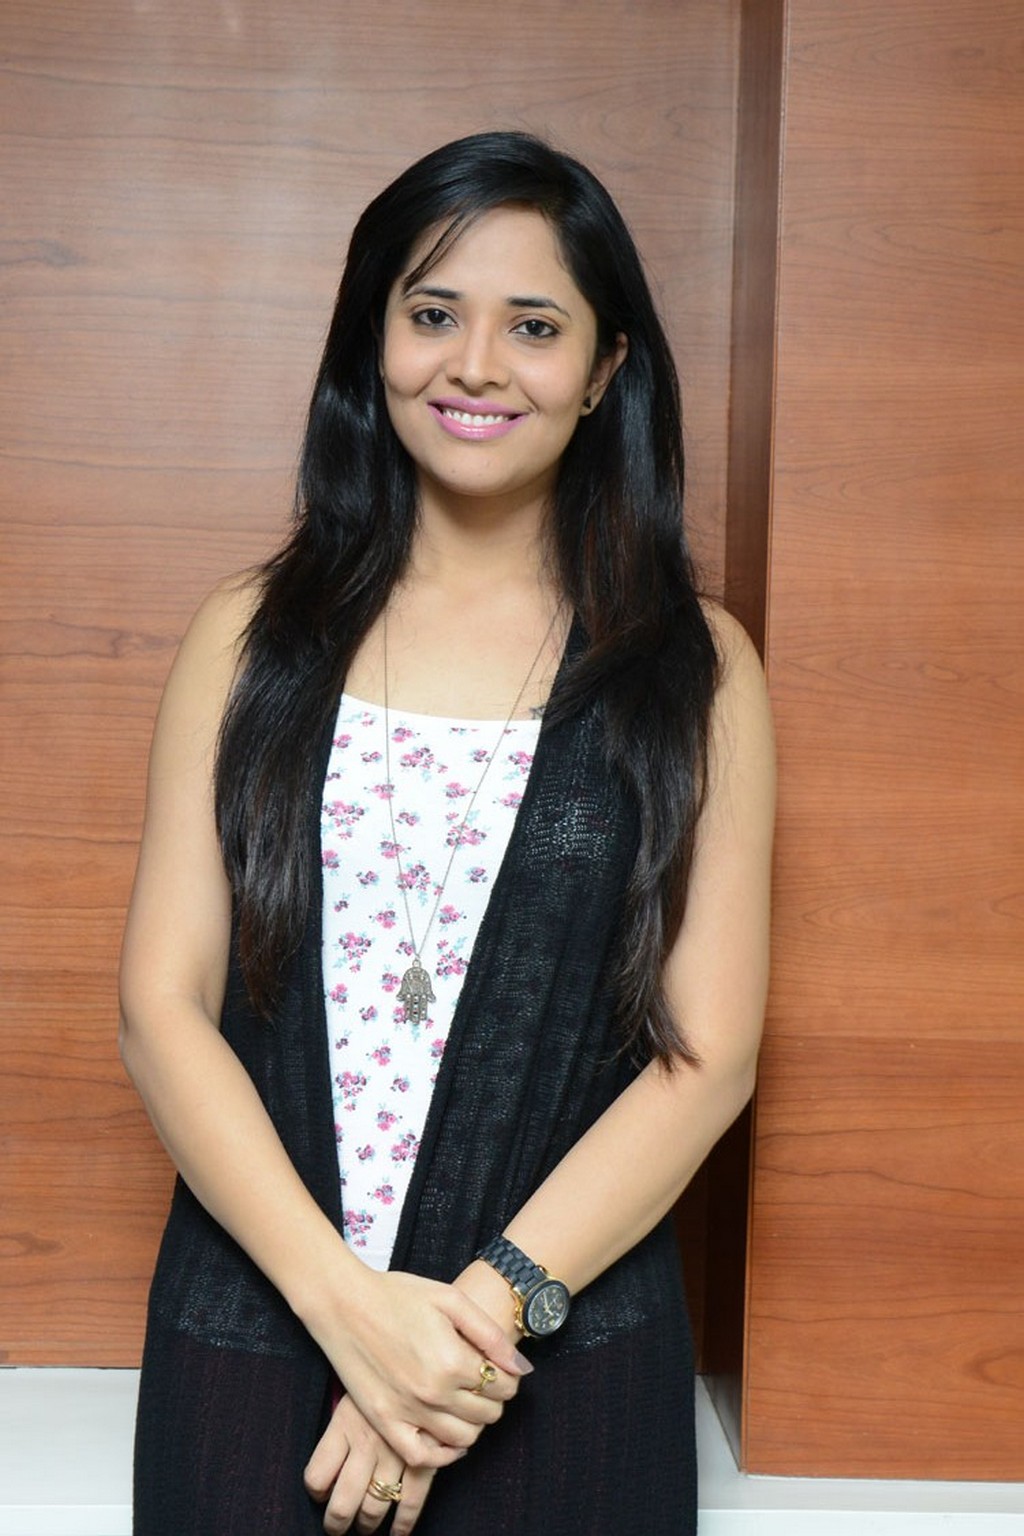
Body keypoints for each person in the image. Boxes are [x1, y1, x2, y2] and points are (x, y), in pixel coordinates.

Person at [119, 129, 774, 1536]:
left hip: (560, 1373)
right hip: (254, 1350)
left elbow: (707, 1057)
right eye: (432, 314)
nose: (476, 365)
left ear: (603, 370)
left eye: (534, 326)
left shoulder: (695, 669)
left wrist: (460, 1340)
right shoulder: (246, 637)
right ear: (375, 342)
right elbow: (162, 1008)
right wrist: (352, 1314)